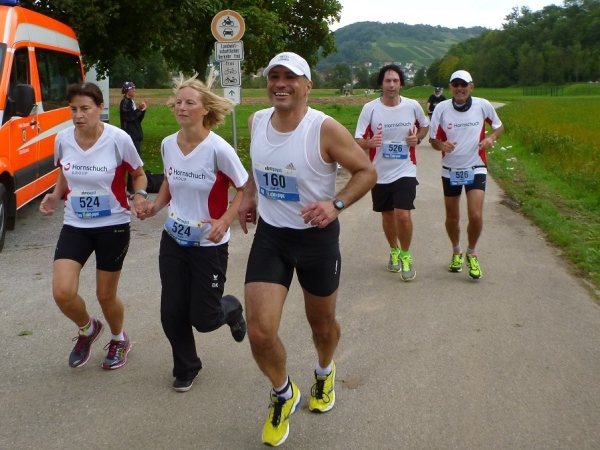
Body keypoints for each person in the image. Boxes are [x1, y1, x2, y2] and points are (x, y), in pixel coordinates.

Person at [237, 52, 377, 447]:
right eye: (274, 76)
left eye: (291, 77)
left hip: (316, 239)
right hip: (271, 237)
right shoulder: (256, 120)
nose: (280, 84)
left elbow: (367, 171)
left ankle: (324, 371)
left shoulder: (324, 129)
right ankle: (284, 393)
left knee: (322, 325)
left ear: (308, 86)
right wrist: (249, 194)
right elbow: (258, 165)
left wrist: (336, 204)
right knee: (260, 331)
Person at [138, 74, 248, 393]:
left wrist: (225, 220)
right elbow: (170, 181)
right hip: (173, 239)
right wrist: (155, 207)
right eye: (178, 102)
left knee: (205, 318)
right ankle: (186, 367)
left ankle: (231, 308)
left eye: (190, 103)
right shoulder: (168, 144)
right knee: (171, 311)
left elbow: (244, 188)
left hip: (208, 245)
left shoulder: (218, 149)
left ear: (205, 109)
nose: (182, 107)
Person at [39, 82, 147, 370]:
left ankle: (118, 338)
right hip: (75, 223)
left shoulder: (118, 139)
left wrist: (138, 196)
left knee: (105, 295)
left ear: (100, 108)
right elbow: (65, 170)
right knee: (62, 292)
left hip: (112, 225)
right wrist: (55, 194)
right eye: (73, 109)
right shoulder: (63, 139)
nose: (78, 115)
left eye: (85, 108)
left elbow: (138, 174)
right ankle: (88, 329)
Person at [355, 64, 429, 281]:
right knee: (388, 216)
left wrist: (418, 138)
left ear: (401, 84)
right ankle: (394, 250)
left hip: (405, 169)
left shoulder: (412, 106)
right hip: (379, 172)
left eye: (395, 81)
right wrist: (369, 143)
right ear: (381, 83)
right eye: (387, 81)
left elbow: (424, 126)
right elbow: (357, 140)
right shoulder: (370, 109)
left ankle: (406, 255)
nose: (391, 85)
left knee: (403, 215)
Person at [429, 70, 504, 280]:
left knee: (475, 215)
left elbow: (499, 127)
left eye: (464, 85)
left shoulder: (482, 105)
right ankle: (456, 250)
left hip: (476, 166)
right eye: (455, 85)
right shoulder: (441, 109)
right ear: (450, 87)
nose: (459, 89)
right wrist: (441, 145)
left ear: (471, 86)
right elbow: (433, 140)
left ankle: (472, 253)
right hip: (450, 169)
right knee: (452, 217)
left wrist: (491, 138)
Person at [119, 81, 147, 195]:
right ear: (127, 91)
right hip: (130, 135)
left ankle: (132, 189)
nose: (134, 90)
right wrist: (138, 110)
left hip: (135, 135)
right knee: (133, 164)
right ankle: (131, 189)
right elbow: (128, 117)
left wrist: (142, 110)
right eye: (132, 88)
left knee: (134, 163)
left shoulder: (131, 102)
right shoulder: (125, 102)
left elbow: (137, 119)